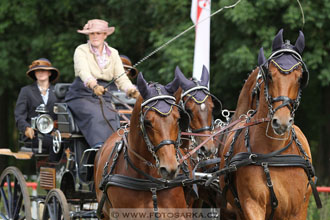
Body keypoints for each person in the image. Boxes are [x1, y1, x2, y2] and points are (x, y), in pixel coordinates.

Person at [65, 19, 139, 149]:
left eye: (98, 33)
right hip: (82, 95)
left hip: (103, 95)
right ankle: (99, 149)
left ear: (105, 35)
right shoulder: (81, 50)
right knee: (95, 115)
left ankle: (115, 149)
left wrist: (131, 90)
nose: (95, 36)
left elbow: (121, 78)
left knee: (113, 116)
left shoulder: (114, 53)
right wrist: (93, 85)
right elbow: (83, 71)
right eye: (92, 33)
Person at [15, 58, 60, 149]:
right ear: (34, 74)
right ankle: (52, 163)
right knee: (55, 143)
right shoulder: (26, 91)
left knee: (68, 142)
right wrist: (27, 128)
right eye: (37, 71)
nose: (40, 73)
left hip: (54, 133)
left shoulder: (57, 91)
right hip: (34, 135)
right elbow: (19, 115)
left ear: (49, 73)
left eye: (43, 70)